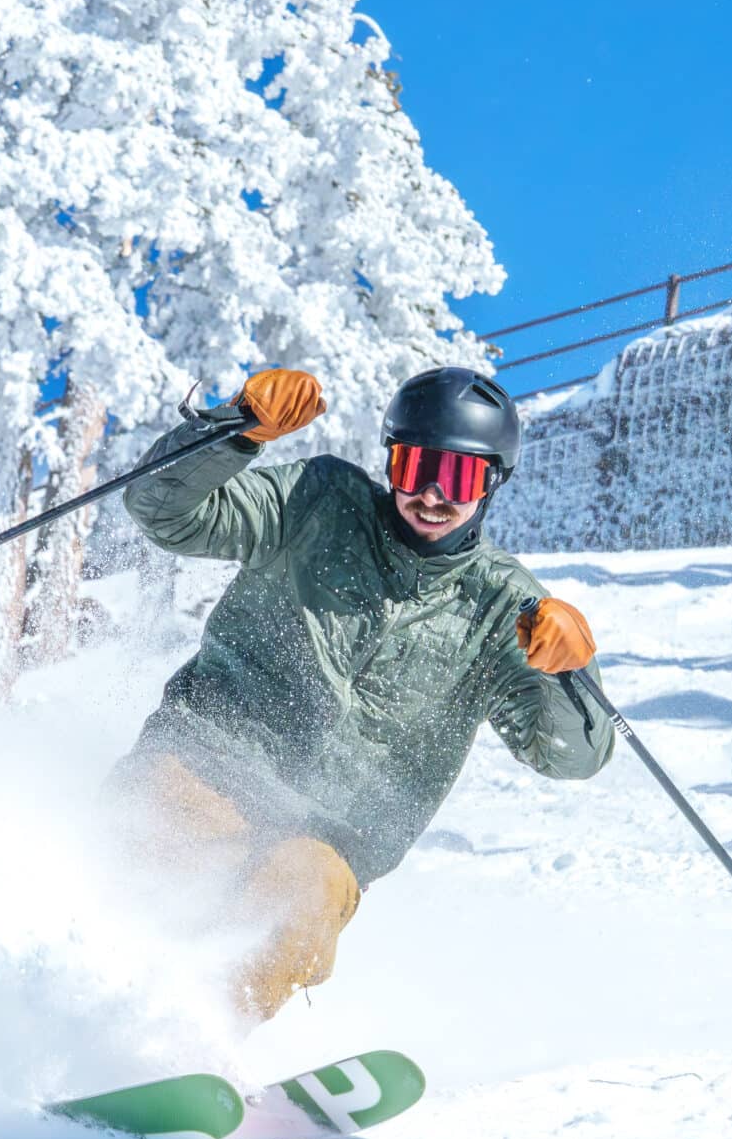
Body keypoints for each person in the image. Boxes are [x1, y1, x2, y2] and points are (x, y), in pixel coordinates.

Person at [117, 365, 614, 1024]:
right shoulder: (317, 503)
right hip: (209, 759)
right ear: (391, 464)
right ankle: (51, 992)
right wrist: (232, 432)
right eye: (416, 468)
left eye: (461, 476)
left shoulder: (506, 609)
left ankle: (184, 1043)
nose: (434, 493)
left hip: (328, 833)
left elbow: (571, 755)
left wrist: (567, 676)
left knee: (298, 901)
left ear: (493, 482)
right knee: (146, 844)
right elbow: (163, 511)